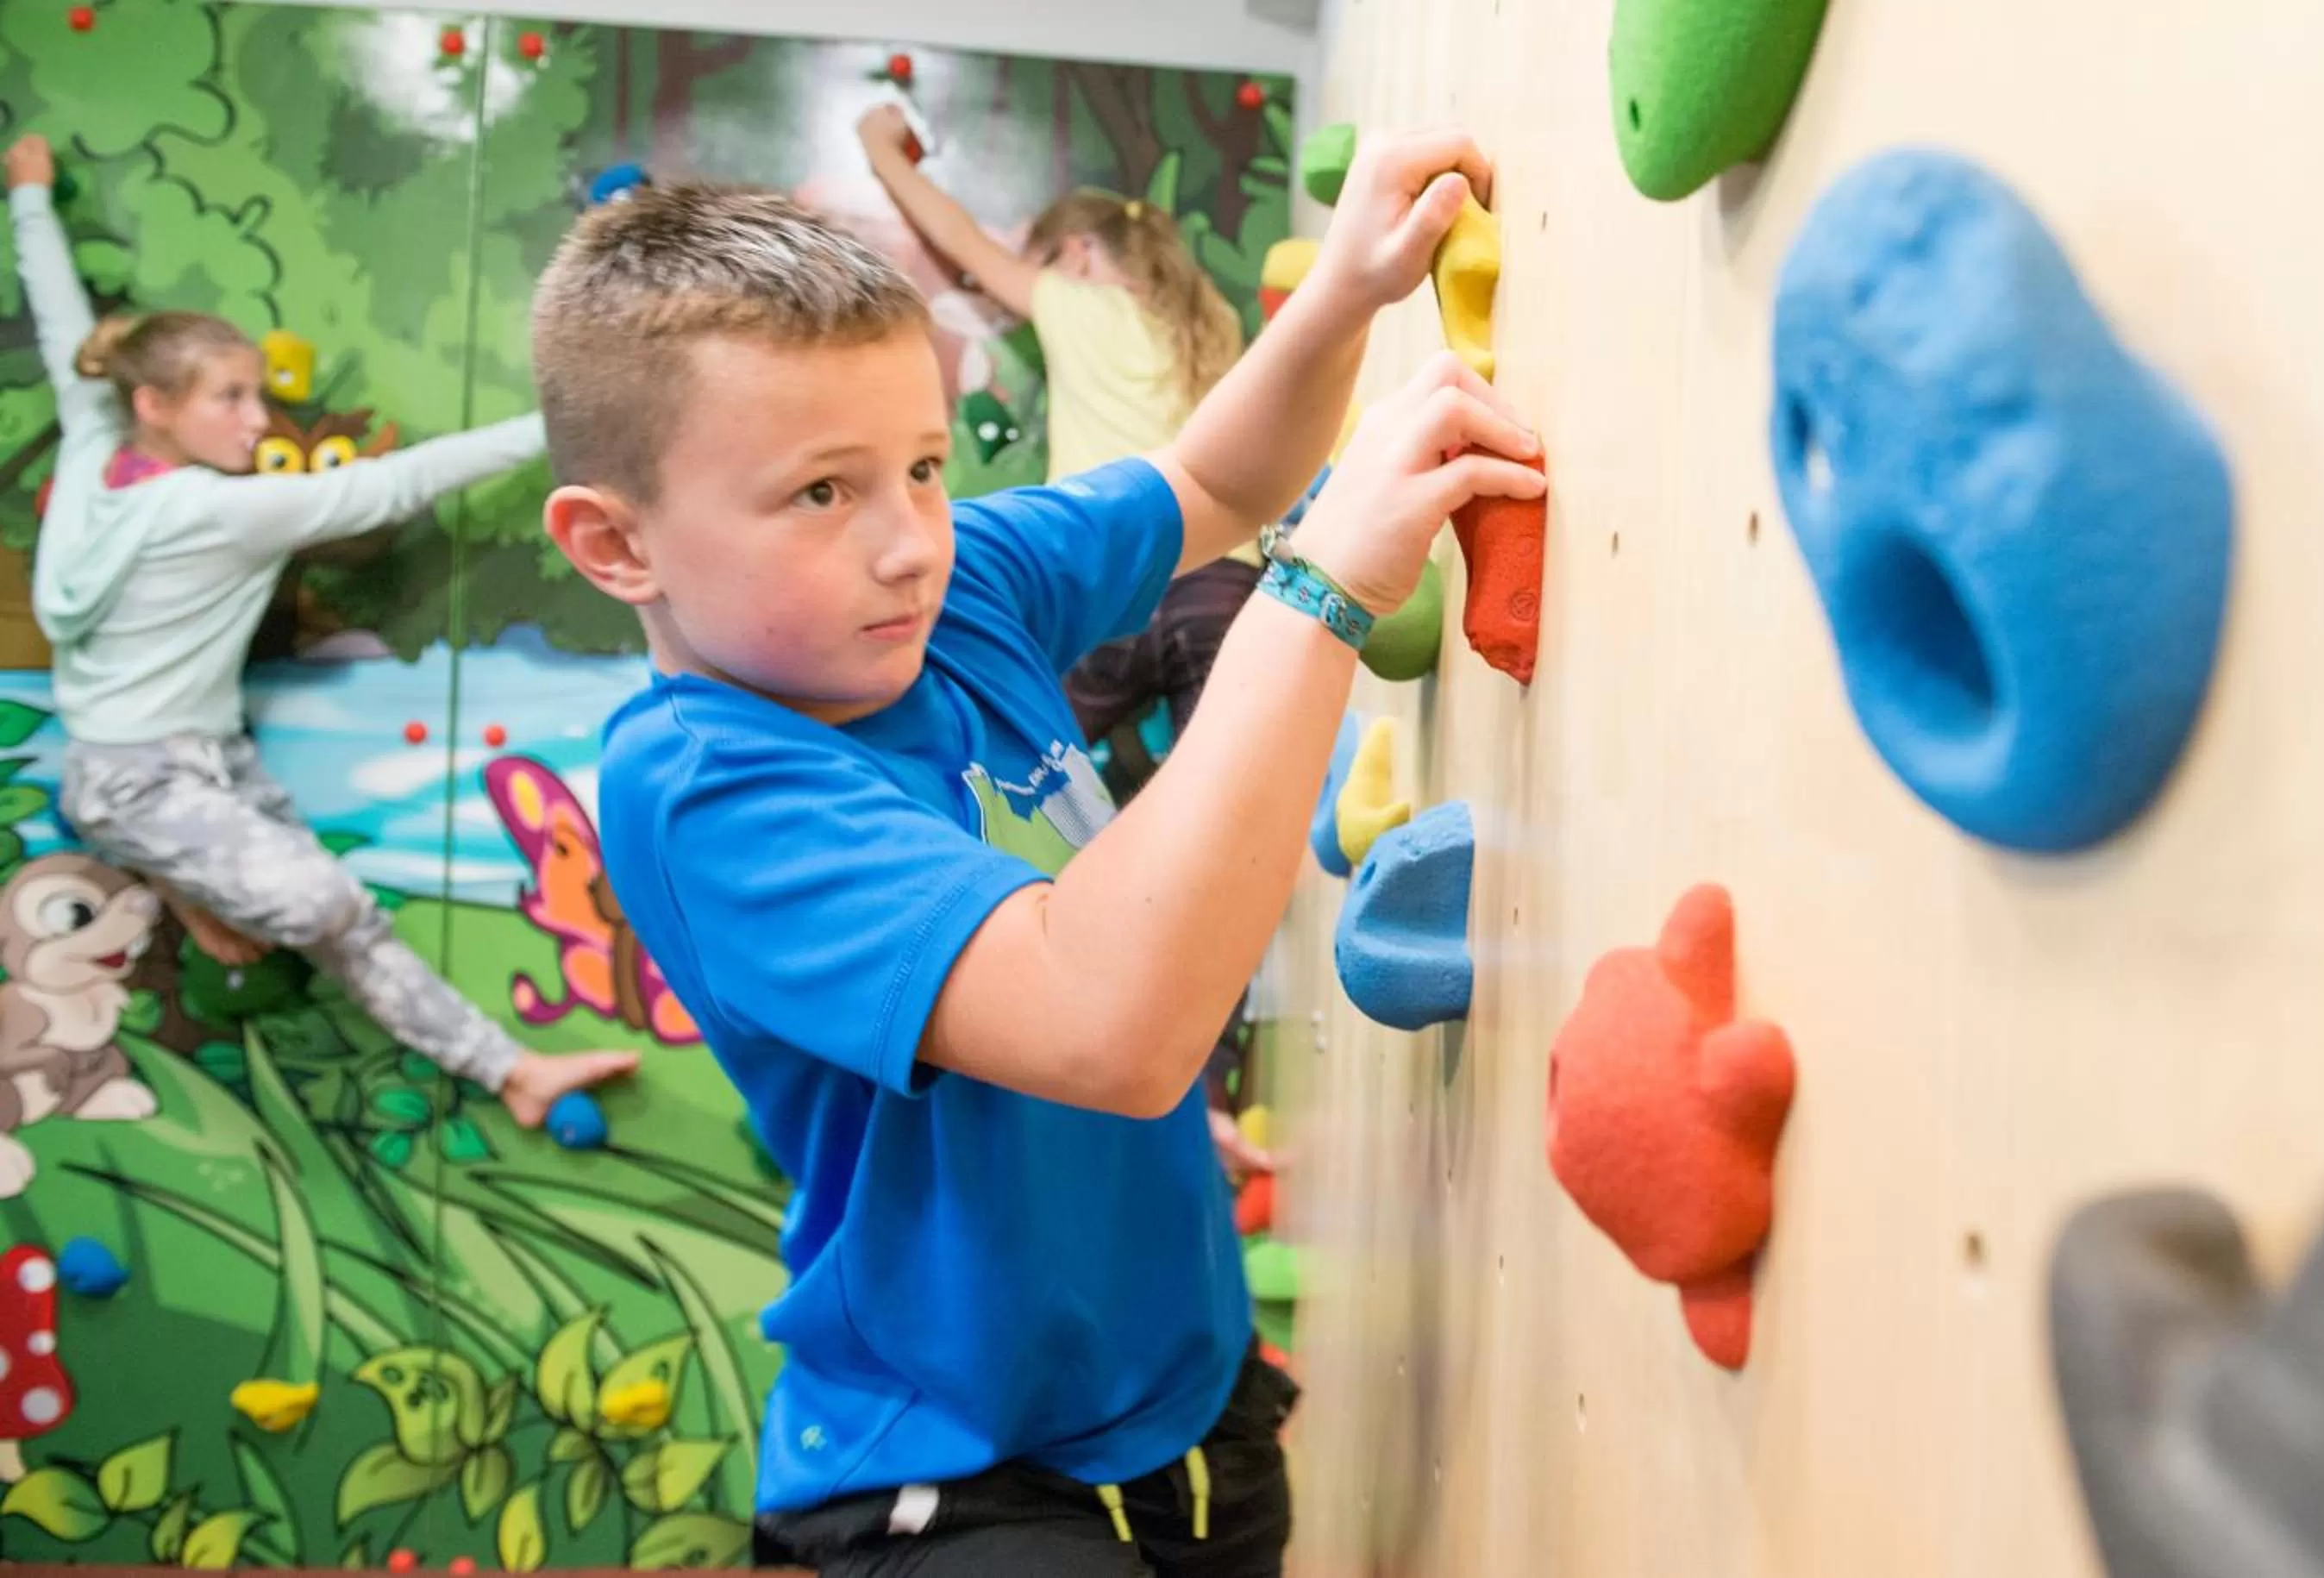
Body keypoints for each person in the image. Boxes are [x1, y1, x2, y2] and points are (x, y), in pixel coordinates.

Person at [533, 129, 1541, 1575]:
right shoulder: (707, 781)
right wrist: (1322, 586)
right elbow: (1105, 1021)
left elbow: (1213, 477)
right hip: (958, 1478)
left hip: (1187, 1411)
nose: (907, 541)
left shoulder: (957, 588)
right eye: (822, 492)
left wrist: (1344, 293)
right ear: (616, 545)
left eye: (924, 467)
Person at [3, 135, 636, 1126]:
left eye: (255, 393)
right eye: (231, 398)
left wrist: (31, 200)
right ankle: (167, 870)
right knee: (323, 905)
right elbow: (400, 482)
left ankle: (512, 1072)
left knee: (352, 924)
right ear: (154, 406)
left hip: (198, 759)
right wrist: (566, 433)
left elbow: (61, 326)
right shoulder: (219, 510)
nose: (259, 421)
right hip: (142, 782)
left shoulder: (95, 450)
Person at [858, 108, 1275, 1171]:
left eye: (1046, 261)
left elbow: (961, 240)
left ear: (1079, 255)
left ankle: (978, 962)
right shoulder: (1210, 330)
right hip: (1222, 588)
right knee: (1221, 834)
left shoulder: (1075, 301)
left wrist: (882, 155)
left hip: (1113, 594)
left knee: (1000, 760)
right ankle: (1211, 1097)